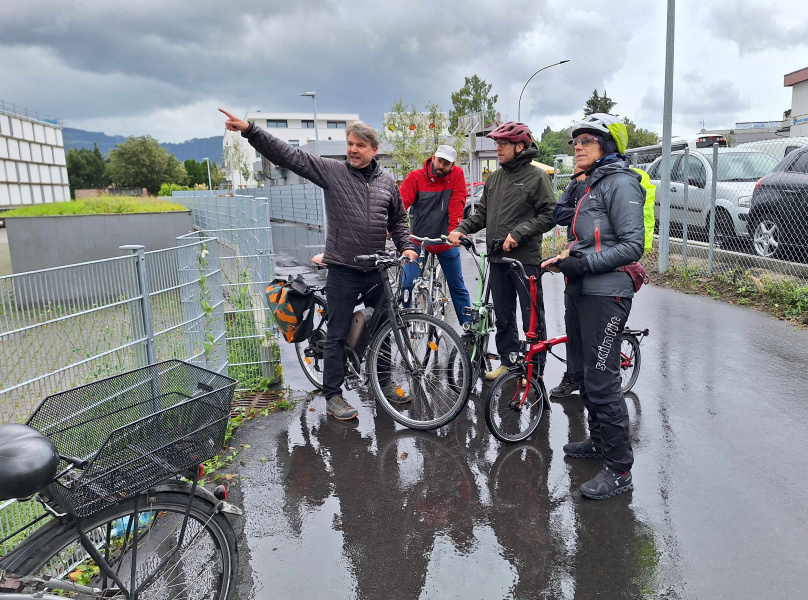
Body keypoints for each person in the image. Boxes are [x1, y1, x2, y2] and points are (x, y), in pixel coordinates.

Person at [220, 109, 418, 421]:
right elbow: (289, 155)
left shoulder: (387, 182)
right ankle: (334, 395)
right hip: (343, 267)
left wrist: (406, 247)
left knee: (385, 328)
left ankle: (384, 382)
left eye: (359, 145)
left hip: (376, 269)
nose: (352, 149)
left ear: (374, 150)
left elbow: (397, 222)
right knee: (338, 333)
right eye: (350, 144)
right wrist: (250, 131)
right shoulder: (333, 172)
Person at [544, 113, 645, 500]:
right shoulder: (589, 184)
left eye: (587, 139)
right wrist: (567, 261)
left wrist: (583, 263)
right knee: (584, 374)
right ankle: (600, 442)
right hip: (582, 288)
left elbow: (631, 246)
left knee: (603, 382)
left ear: (607, 146)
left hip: (608, 293)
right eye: (576, 141)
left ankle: (619, 470)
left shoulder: (619, 183)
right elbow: (587, 237)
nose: (578, 146)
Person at [447, 122, 556, 380]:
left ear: (520, 146)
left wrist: (519, 233)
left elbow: (551, 215)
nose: (498, 148)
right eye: (496, 144)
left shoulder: (536, 177)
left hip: (525, 260)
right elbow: (482, 213)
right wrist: (462, 228)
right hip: (497, 257)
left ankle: (534, 369)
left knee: (532, 317)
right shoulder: (494, 178)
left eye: (503, 144)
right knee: (503, 315)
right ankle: (508, 362)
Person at [399, 145, 471, 326]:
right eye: (439, 161)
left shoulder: (457, 175)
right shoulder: (415, 177)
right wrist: (394, 226)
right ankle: (403, 322)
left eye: (446, 163)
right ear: (433, 158)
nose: (441, 166)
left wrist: (455, 232)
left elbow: (457, 203)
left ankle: (469, 327)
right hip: (417, 240)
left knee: (457, 286)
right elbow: (401, 204)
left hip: (444, 240)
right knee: (407, 282)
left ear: (452, 165)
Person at [548, 169, 586, 398]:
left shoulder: (609, 183)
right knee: (572, 321)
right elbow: (559, 214)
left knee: (590, 326)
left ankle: (593, 379)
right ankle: (573, 375)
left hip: (597, 261)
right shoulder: (577, 183)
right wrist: (575, 183)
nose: (578, 150)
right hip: (574, 257)